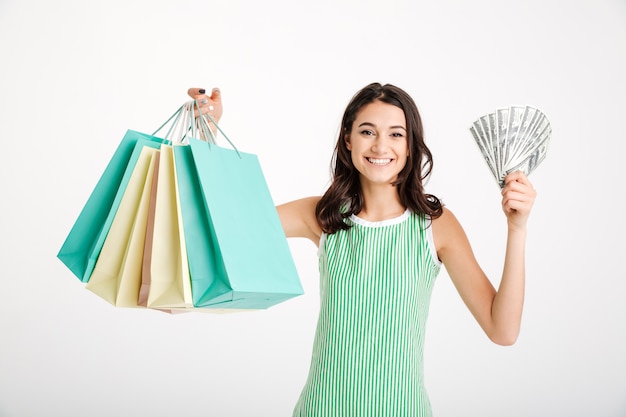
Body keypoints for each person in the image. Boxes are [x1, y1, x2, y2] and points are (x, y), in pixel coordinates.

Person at [188, 83, 536, 417]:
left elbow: (502, 330)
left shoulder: (435, 225)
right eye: (368, 131)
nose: (381, 146)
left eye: (396, 134)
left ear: (411, 145)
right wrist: (208, 135)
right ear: (348, 140)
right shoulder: (321, 216)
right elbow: (227, 230)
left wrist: (516, 228)